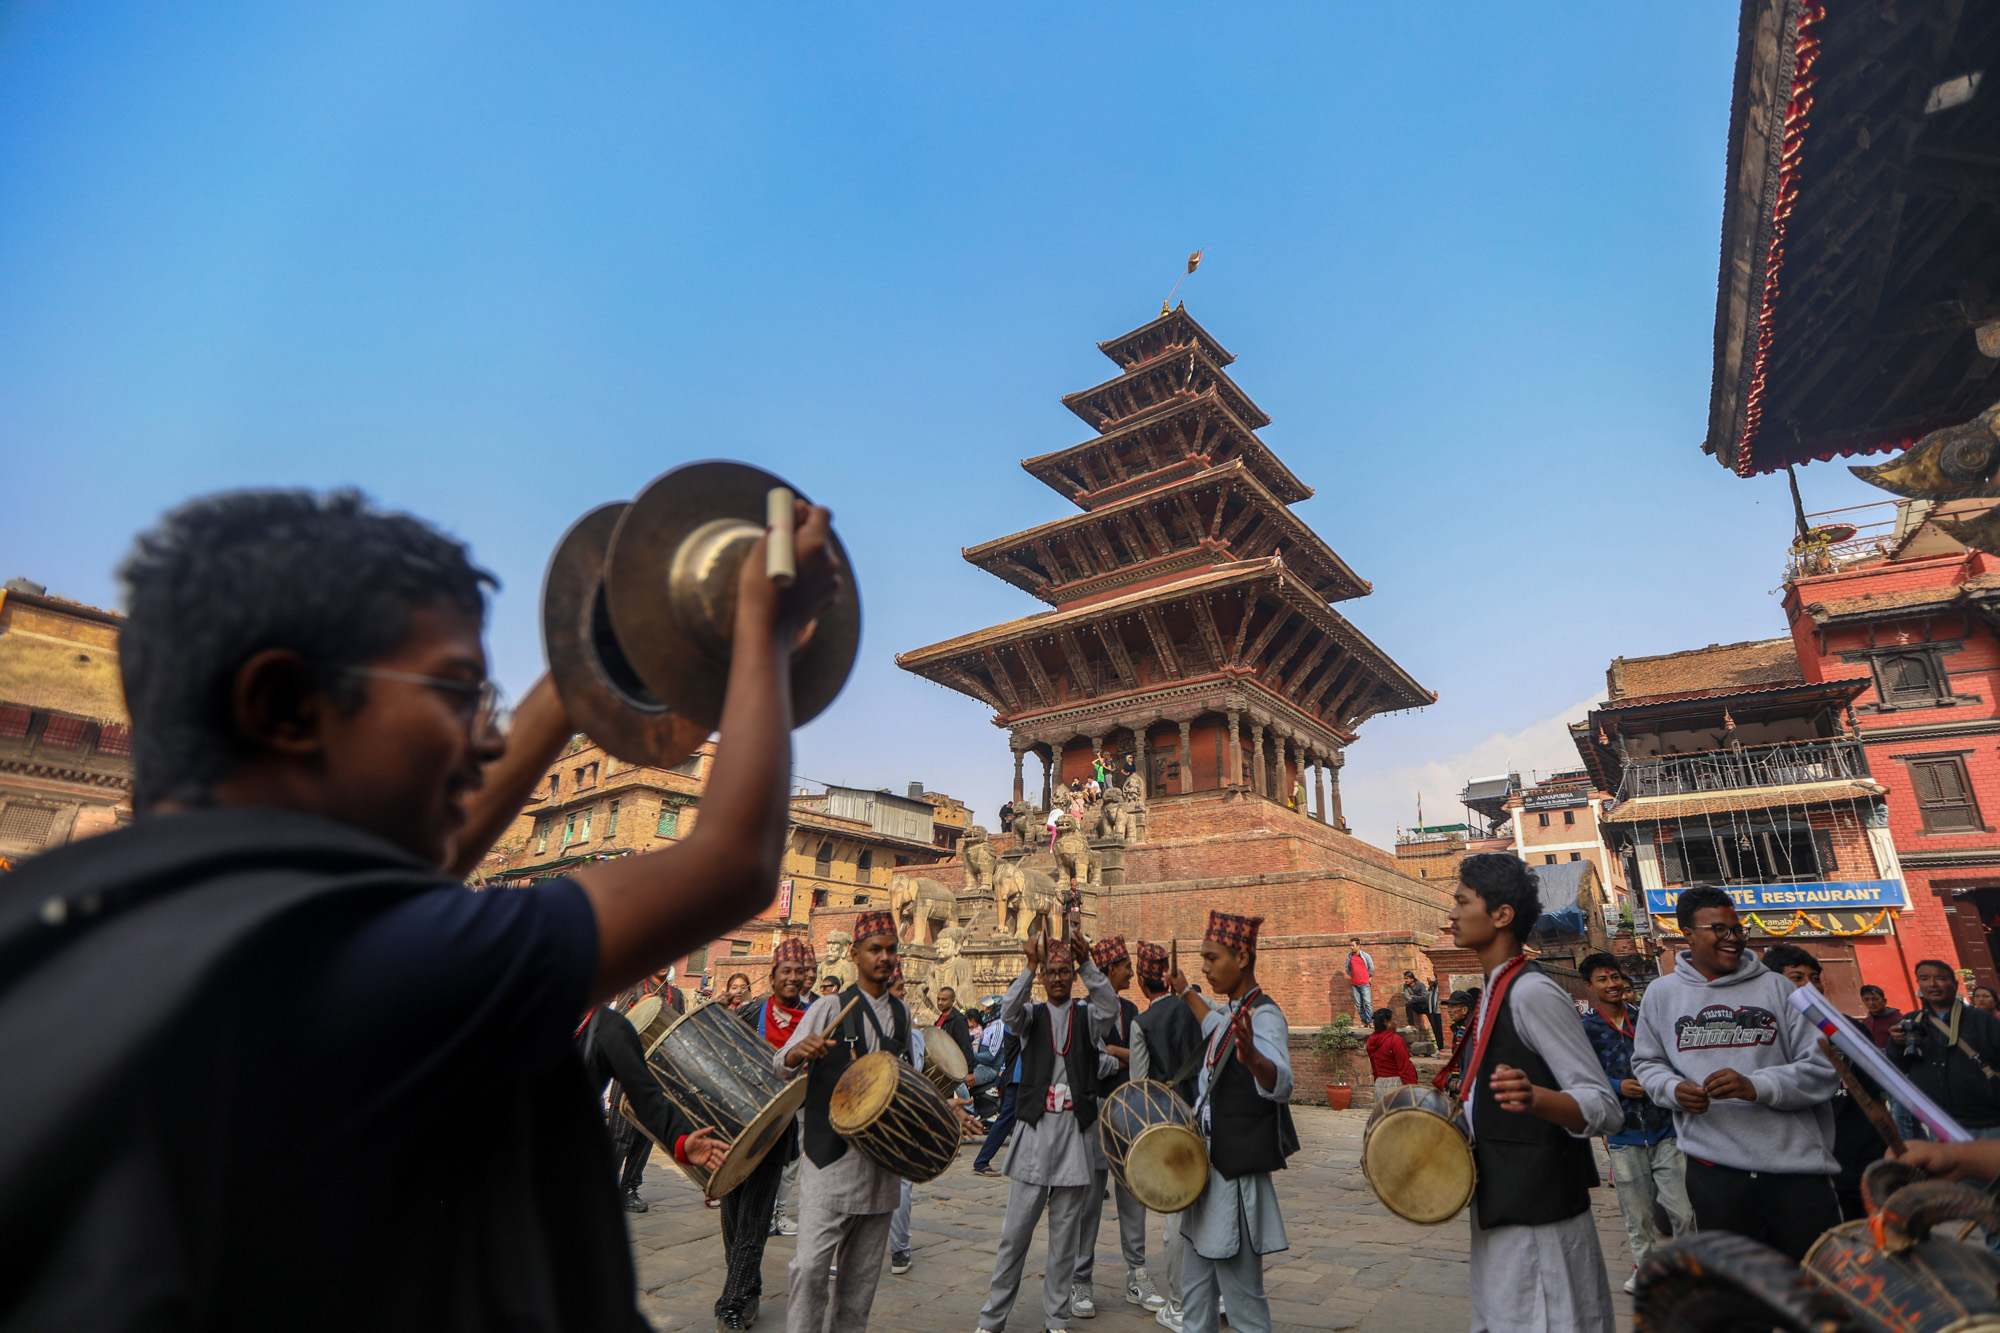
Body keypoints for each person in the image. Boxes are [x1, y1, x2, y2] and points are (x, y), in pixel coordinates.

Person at [0, 488, 839, 1331]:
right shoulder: (372, 953)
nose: (482, 738)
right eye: (453, 694)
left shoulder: (62, 917)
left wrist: (584, 669)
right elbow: (731, 860)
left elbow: (404, 873)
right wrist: (765, 637)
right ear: (285, 704)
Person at [1443, 855, 1622, 1333]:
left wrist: (1537, 1098)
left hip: (1542, 1221)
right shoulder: (1493, 992)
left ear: (1502, 915)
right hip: (1504, 1207)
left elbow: (1604, 1106)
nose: (1452, 915)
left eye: (1462, 903)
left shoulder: (1533, 993)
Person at [1632, 887, 1841, 1263]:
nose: (1733, 939)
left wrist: (1757, 1086)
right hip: (1715, 1174)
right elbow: (1647, 1063)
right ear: (1688, 934)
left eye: (1738, 929)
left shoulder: (1778, 988)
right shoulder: (1661, 995)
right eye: (1719, 930)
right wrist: (1673, 1089)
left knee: (1815, 1298)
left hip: (1796, 1173)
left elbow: (1823, 1072)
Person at [773, 911, 920, 1333]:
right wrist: (802, 1051)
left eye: (891, 949)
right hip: (829, 1162)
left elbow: (904, 1079)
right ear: (855, 954)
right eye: (876, 949)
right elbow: (780, 1065)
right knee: (809, 1270)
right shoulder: (828, 1006)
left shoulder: (902, 1014)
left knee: (858, 1288)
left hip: (879, 1169)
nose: (885, 957)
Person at [1155, 913, 1294, 1333]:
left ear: (1243, 956)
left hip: (1233, 1185)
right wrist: (1185, 992)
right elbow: (1214, 1023)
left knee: (1244, 1309)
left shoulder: (1264, 1017)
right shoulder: (1235, 1012)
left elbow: (1282, 1082)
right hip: (1206, 1180)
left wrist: (1254, 1060)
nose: (1206, 967)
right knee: (1196, 1304)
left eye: (1213, 958)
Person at [976, 931, 1120, 1333]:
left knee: (1064, 1242)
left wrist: (1088, 961)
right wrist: (1027, 964)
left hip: (1074, 1135)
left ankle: (1056, 1319)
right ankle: (992, 1319)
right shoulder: (1031, 1018)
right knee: (1014, 1237)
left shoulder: (1087, 1018)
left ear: (1073, 977)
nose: (1057, 978)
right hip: (1035, 1134)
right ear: (1043, 977)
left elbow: (1109, 1006)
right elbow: (1007, 1011)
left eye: (1064, 972)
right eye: (1050, 972)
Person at [1576, 952, 1692, 1293]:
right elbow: (1581, 1075)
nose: (1611, 984)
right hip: (1622, 1133)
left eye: (1615, 977)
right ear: (1589, 986)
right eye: (1602, 979)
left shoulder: (1644, 1019)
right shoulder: (1586, 1029)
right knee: (1637, 1214)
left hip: (1665, 1127)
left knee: (1683, 1212)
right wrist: (1617, 1086)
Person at [1760, 943, 1886, 1222]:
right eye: (1797, 978)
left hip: (1861, 1157)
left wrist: (1892, 1145)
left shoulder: (1849, 1029)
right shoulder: (1765, 1035)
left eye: (1815, 978)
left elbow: (1874, 1095)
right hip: (1803, 1164)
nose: (1811, 986)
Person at [1074, 936, 1165, 1316]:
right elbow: (1092, 1065)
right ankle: (1080, 1280)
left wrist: (1115, 1053)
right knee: (1089, 1202)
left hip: (1130, 1115)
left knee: (1133, 1198)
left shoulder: (1133, 1010)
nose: (1132, 971)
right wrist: (1124, 1059)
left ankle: (1137, 1274)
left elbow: (1150, 1062)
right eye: (1126, 965)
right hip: (1095, 1114)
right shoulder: (1083, 1012)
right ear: (1109, 969)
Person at [1131, 941, 1204, 1331]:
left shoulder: (1142, 1023)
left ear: (1143, 984)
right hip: (1206, 1116)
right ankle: (1217, 1296)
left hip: (1170, 1125)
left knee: (1176, 1216)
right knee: (1210, 1210)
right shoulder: (1197, 1005)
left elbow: (1139, 1088)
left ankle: (1178, 1305)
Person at [1890, 958, 2000, 1139]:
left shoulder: (1983, 1021)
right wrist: (1897, 1044)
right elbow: (1898, 1067)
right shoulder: (1911, 1021)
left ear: (1955, 985)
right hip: (1939, 1124)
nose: (1932, 984)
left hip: (1988, 1123)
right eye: (1924, 978)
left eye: (1940, 978)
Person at [1365, 1007, 1418, 1104]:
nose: (1396, 1022)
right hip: (1396, 1084)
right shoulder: (1395, 1040)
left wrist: (1377, 1082)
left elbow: (1374, 1068)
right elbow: (1404, 1068)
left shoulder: (1370, 1041)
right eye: (1394, 1019)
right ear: (1386, 1022)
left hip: (1380, 1084)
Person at [934, 985, 975, 1069]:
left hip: (954, 1067)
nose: (940, 1002)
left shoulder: (958, 1020)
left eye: (944, 999)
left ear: (952, 1001)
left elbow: (966, 1046)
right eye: (938, 999)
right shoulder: (939, 1020)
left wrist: (970, 1070)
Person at [1400, 971, 1438, 1046]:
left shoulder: (1420, 985)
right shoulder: (1406, 986)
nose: (1406, 980)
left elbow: (1424, 997)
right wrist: (1417, 998)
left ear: (1412, 978)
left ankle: (1438, 1041)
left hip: (1426, 1006)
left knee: (1434, 1024)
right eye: (1405, 979)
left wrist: (1414, 997)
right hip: (1416, 1005)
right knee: (1408, 1005)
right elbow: (1407, 997)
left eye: (1407, 978)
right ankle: (1411, 1024)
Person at [1345, 939, 1374, 1023]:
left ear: (1358, 946)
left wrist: (1366, 977)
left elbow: (1371, 968)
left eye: (1353, 945)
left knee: (1368, 1003)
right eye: (1351, 945)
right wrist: (1354, 976)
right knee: (1359, 1005)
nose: (1351, 947)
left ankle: (1371, 1022)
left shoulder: (1365, 956)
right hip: (1354, 984)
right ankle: (1364, 1021)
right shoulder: (1349, 957)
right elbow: (1348, 969)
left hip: (1364, 983)